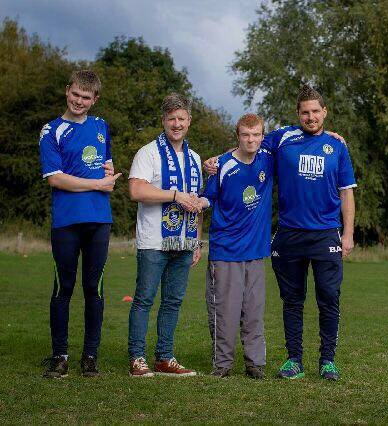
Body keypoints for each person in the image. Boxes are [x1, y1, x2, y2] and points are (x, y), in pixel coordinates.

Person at [204, 84, 356, 381]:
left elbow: (346, 193)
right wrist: (216, 162)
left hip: (326, 234)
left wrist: (348, 233)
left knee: (328, 297)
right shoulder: (283, 138)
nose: (310, 117)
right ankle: (294, 360)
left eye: (315, 111)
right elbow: (247, 142)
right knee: (292, 300)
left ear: (324, 112)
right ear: (298, 114)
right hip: (289, 234)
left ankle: (328, 360)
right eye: (305, 112)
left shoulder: (337, 147)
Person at [39, 70, 122, 378]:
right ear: (67, 91)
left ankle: (90, 356)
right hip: (66, 221)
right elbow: (56, 179)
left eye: (86, 97)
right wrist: (97, 185)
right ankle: (60, 356)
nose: (79, 101)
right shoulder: (51, 131)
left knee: (94, 289)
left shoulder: (101, 126)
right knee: (64, 288)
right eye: (75, 94)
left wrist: (108, 175)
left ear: (94, 99)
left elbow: (106, 164)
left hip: (99, 220)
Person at [127, 93, 203, 377]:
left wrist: (197, 240)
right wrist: (173, 195)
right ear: (163, 120)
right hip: (153, 241)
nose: (176, 123)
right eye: (171, 118)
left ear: (189, 121)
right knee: (144, 299)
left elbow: (196, 202)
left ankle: (164, 357)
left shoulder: (194, 158)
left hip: (184, 241)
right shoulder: (149, 152)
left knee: (173, 301)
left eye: (181, 118)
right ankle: (137, 358)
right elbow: (136, 190)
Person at [199, 114, 272, 379]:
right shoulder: (222, 166)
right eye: (245, 135)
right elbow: (208, 199)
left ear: (262, 136)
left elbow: (300, 135)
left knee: (254, 311)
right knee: (225, 312)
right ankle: (222, 365)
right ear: (237, 136)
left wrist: (332, 135)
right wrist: (198, 203)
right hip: (226, 251)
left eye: (256, 135)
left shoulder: (267, 158)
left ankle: (255, 363)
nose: (251, 140)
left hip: (255, 252)